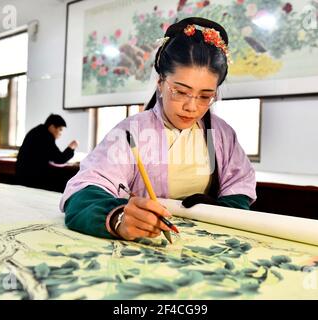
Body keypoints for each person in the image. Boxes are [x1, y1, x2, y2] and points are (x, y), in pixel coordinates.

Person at [60, 17, 256, 241]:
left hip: (202, 243)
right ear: (161, 83)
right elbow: (84, 189)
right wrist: (119, 217)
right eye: (180, 91)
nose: (191, 107)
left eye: (205, 96)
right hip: (143, 242)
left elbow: (239, 185)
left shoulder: (220, 135)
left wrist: (221, 210)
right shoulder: (132, 132)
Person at [16, 114, 78, 191]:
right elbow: (59, 159)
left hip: (22, 175)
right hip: (32, 178)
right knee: (66, 181)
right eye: (60, 129)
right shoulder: (46, 136)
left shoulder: (36, 131)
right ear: (52, 127)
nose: (60, 133)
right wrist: (71, 148)